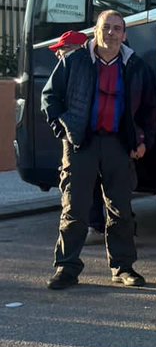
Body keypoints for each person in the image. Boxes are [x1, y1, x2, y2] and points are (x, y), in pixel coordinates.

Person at [43, 10, 156, 289]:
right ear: (96, 30)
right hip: (81, 142)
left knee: (121, 209)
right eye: (106, 27)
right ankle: (66, 268)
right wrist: (64, 131)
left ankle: (123, 267)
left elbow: (150, 109)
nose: (111, 33)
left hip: (118, 144)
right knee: (75, 208)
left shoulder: (135, 66)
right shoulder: (75, 60)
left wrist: (143, 141)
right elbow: (50, 97)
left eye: (117, 29)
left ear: (125, 34)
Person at [49, 31, 105, 245]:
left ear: (77, 48)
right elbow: (51, 99)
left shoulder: (87, 67)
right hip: (75, 135)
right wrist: (61, 128)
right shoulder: (67, 69)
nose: (59, 55)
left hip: (92, 137)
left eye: (62, 49)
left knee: (94, 185)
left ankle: (95, 227)